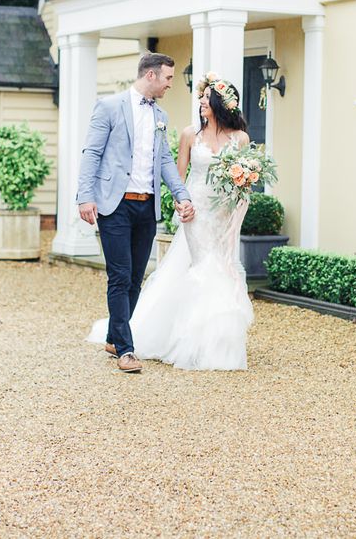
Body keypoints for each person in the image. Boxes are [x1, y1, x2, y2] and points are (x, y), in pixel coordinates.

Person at [87, 74, 254, 371]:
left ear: (220, 103)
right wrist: (181, 203)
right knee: (203, 268)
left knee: (223, 267)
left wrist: (235, 219)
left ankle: (219, 341)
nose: (200, 102)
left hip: (224, 214)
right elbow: (176, 173)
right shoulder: (191, 135)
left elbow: (244, 186)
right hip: (196, 211)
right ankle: (194, 342)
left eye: (205, 98)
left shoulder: (240, 139)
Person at [77, 53, 195, 373]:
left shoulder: (161, 116)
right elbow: (92, 153)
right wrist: (85, 197)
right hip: (114, 204)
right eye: (168, 78)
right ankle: (126, 351)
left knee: (134, 280)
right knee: (119, 275)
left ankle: (115, 337)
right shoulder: (109, 107)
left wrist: (182, 195)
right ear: (152, 76)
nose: (171, 84)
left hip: (147, 205)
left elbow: (166, 161)